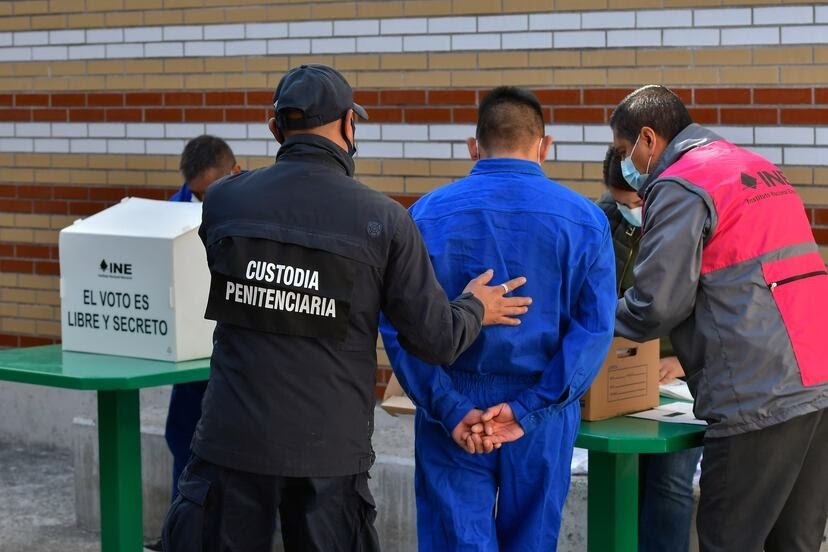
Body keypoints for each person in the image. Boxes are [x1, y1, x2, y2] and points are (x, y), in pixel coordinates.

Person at [160, 64, 531, 552]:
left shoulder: (226, 200)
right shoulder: (382, 220)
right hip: (328, 457)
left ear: (276, 129)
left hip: (232, 443)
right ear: (348, 126)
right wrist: (475, 307)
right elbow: (436, 338)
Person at [379, 86, 617, 551]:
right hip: (541, 411)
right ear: (545, 147)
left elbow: (397, 325)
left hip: (453, 406)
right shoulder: (586, 221)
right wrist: (529, 408)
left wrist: (449, 408)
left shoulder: (423, 216)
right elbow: (592, 333)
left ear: (474, 146)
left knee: (455, 541)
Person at [608, 85, 828, 552]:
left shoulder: (680, 182)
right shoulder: (757, 168)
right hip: (817, 378)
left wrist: (595, 320)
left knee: (731, 542)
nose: (628, 164)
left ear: (648, 139)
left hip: (756, 394)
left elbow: (656, 304)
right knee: (796, 543)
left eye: (626, 152)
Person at [599, 145, 702, 552]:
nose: (628, 210)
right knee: (628, 474)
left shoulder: (685, 220)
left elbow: (707, 301)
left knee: (671, 480)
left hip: (679, 374)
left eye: (633, 203)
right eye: (619, 202)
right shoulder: (605, 219)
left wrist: (682, 360)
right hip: (622, 367)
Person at [145, 135, 241, 552]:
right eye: (195, 193)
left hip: (235, 355)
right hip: (191, 356)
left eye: (208, 192)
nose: (201, 202)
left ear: (233, 172)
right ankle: (181, 534)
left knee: (238, 450)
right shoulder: (174, 211)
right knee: (182, 436)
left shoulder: (253, 204)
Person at [170, 135, 240, 202]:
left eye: (212, 194)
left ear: (235, 172)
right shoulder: (177, 205)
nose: (203, 201)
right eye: (196, 194)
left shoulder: (248, 204)